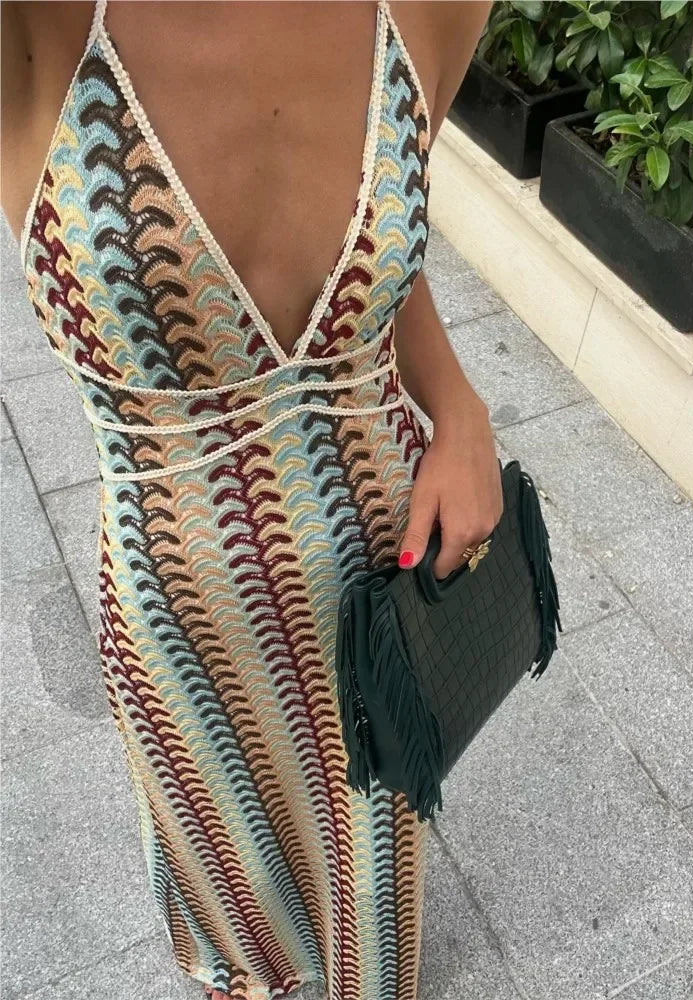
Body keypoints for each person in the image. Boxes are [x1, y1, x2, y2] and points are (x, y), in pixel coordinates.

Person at [1, 2, 501, 998]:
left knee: (377, 870)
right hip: (184, 611)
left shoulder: (436, 7)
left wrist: (461, 410)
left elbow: (381, 243)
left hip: (384, 574)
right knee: (231, 905)